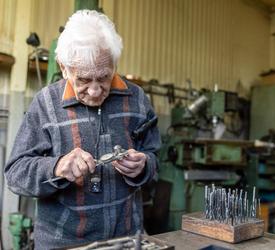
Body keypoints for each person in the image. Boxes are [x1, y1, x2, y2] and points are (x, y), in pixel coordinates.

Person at [5, 10, 161, 249]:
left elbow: (155, 158)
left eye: (104, 77)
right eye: (84, 80)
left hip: (126, 241)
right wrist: (56, 167)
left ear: (114, 64)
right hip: (63, 243)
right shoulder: (46, 104)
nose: (96, 90)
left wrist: (143, 166)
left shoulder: (137, 99)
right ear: (64, 68)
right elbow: (15, 174)